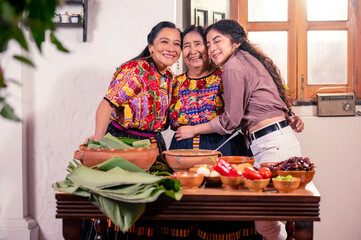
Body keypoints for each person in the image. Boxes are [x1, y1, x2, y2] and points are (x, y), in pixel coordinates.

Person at [174, 19, 304, 240]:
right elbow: (270, 101)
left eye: (217, 41)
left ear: (235, 43)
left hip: (271, 144)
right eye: (209, 43)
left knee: (266, 222)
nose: (212, 47)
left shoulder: (233, 66)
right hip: (277, 139)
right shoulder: (249, 59)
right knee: (279, 216)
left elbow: (230, 121)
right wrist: (290, 117)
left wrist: (194, 130)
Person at [82, 21, 182, 240]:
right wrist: (99, 136)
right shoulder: (136, 69)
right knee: (122, 205)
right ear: (151, 45)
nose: (171, 48)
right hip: (124, 143)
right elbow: (107, 104)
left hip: (153, 146)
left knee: (151, 206)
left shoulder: (170, 78)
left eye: (177, 43)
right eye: (164, 42)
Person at [167, 25, 260, 240]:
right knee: (183, 212)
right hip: (182, 153)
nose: (193, 51)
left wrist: (288, 114)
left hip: (224, 151)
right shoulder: (174, 83)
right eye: (186, 45)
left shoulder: (225, 75)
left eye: (198, 44)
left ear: (208, 49)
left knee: (222, 212)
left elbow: (251, 105)